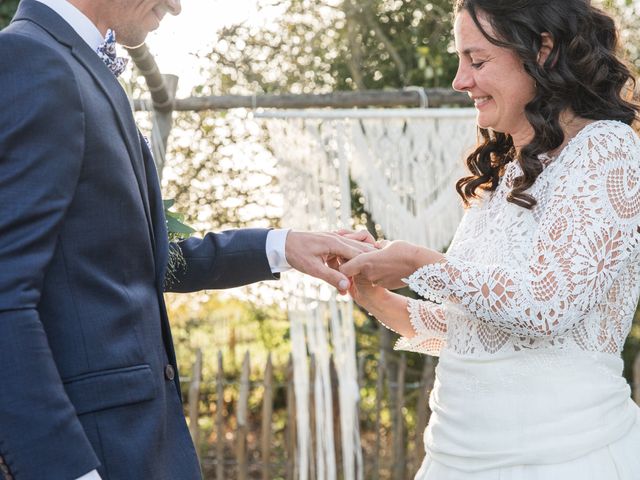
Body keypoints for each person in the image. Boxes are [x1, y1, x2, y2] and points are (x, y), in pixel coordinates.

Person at [0, 1, 371, 479]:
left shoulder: (71, 62)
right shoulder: (30, 61)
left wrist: (282, 246)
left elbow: (133, 261)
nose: (176, 6)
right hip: (93, 451)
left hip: (140, 445)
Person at [340, 0, 640, 478]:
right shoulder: (505, 174)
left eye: (477, 61)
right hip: (456, 458)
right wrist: (369, 289)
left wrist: (417, 263)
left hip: (562, 459)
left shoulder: (605, 149)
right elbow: (470, 330)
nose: (461, 80)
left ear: (543, 52)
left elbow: (547, 308)